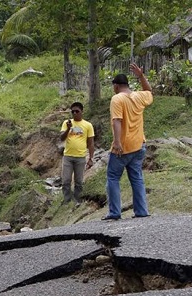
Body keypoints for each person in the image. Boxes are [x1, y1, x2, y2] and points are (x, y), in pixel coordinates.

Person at [103, 63, 153, 220]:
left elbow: (117, 120)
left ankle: (114, 212)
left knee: (112, 177)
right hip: (139, 146)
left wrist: (117, 142)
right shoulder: (139, 96)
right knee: (137, 178)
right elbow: (149, 91)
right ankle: (141, 211)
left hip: (123, 147)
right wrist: (141, 76)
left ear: (116, 86)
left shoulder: (117, 99)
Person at [59, 102, 95, 206]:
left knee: (78, 181)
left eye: (77, 111)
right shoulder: (67, 123)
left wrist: (91, 158)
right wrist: (68, 128)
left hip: (80, 157)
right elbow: (61, 138)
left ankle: (77, 200)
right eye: (73, 111)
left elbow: (91, 142)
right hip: (68, 156)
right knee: (66, 180)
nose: (75, 113)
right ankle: (67, 201)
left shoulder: (88, 125)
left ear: (81, 112)